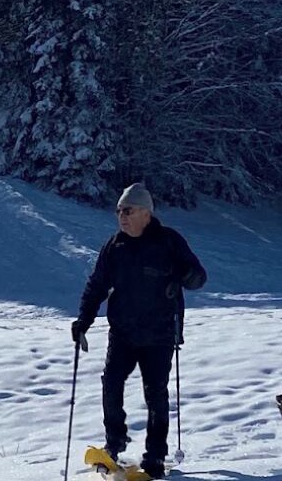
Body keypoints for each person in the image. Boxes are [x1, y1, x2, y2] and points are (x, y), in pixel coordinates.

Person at [72, 183, 207, 480]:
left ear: (146, 213)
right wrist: (84, 321)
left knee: (156, 395)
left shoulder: (169, 242)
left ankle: (155, 456)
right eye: (119, 210)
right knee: (111, 383)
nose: (121, 215)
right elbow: (97, 286)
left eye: (128, 210)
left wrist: (187, 275)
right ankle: (114, 443)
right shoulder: (115, 246)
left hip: (159, 334)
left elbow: (199, 277)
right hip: (123, 332)